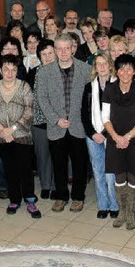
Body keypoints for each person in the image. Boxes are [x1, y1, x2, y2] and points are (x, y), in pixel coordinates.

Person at [36, 33, 91, 212]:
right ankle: (61, 196)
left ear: (73, 48)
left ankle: (78, 197)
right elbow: (42, 98)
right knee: (58, 164)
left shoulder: (85, 69)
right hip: (56, 127)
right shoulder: (45, 71)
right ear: (55, 50)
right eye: (59, 48)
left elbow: (90, 99)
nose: (63, 52)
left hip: (78, 126)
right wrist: (55, 119)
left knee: (79, 165)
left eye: (67, 48)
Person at [0, 54, 41, 218]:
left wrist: (13, 129)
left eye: (13, 69)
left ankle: (30, 200)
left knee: (25, 169)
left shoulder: (24, 87)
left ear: (17, 70)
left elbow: (29, 111)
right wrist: (2, 129)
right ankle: (14, 199)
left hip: (22, 134)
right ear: (1, 70)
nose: (10, 73)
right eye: (6, 69)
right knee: (10, 169)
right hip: (1, 136)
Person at [102, 54, 135, 230]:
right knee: (119, 175)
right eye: (121, 68)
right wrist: (116, 137)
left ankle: (131, 213)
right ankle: (122, 212)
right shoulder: (110, 89)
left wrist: (127, 137)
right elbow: (105, 117)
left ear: (134, 70)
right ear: (116, 70)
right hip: (114, 139)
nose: (125, 72)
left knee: (133, 175)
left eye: (129, 68)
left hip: (134, 140)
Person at [81, 53, 119, 219]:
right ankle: (103, 205)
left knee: (111, 173)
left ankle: (114, 205)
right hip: (93, 136)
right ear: (95, 67)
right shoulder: (89, 87)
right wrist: (93, 133)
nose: (102, 67)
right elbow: (84, 113)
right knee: (98, 171)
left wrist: (104, 133)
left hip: (111, 134)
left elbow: (119, 114)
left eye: (105, 63)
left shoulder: (118, 86)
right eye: (98, 64)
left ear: (110, 65)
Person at [26, 40, 56, 199]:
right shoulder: (33, 73)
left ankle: (57, 185)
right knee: (43, 155)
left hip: (59, 122)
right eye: (43, 54)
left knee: (58, 155)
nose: (48, 57)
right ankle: (46, 185)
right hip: (38, 121)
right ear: (39, 57)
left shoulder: (63, 71)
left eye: (50, 53)